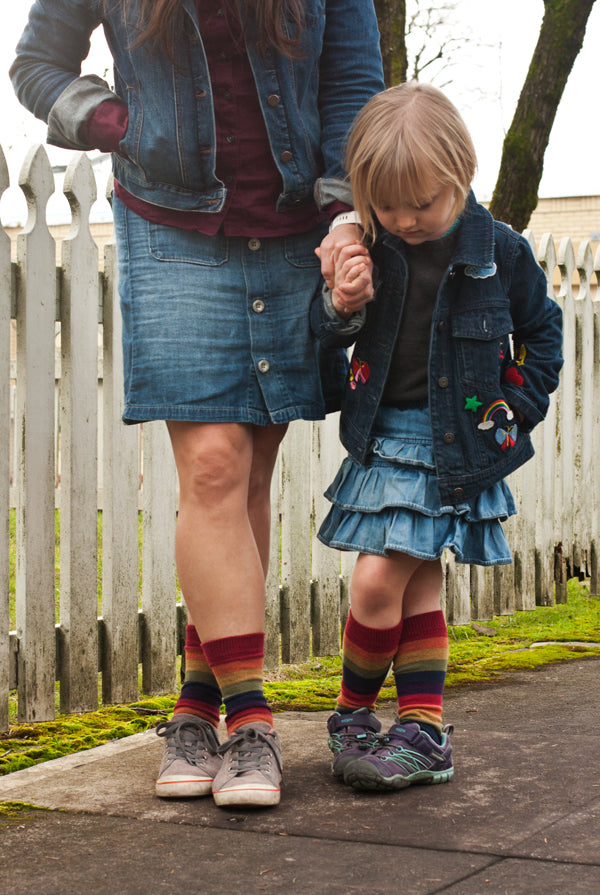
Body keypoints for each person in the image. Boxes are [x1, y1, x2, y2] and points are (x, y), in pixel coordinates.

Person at [10, 0, 384, 808]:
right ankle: (251, 722)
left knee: (247, 478)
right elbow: (37, 65)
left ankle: (194, 705)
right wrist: (122, 123)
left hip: (296, 231)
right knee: (213, 465)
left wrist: (346, 216)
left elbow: (353, 82)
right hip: (170, 226)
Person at [310, 82, 563, 792]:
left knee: (378, 577)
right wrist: (342, 304)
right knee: (414, 581)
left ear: (460, 173)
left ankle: (355, 712)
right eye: (387, 206)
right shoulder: (372, 248)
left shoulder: (500, 252)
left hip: (456, 440)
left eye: (422, 203)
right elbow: (324, 332)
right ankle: (421, 730)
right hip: (385, 437)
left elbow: (544, 331)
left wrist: (516, 407)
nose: (405, 219)